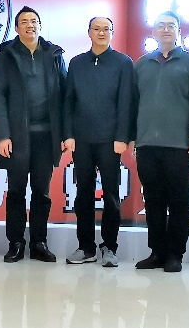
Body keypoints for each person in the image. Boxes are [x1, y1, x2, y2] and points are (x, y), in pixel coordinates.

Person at [132, 11, 189, 273]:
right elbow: (133, 103)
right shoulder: (142, 64)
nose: (166, 30)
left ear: (178, 31)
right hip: (146, 144)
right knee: (153, 200)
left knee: (179, 200)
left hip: (179, 145)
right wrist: (132, 137)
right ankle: (157, 252)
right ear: (153, 32)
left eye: (171, 26)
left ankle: (175, 254)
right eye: (161, 26)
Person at [0, 6, 67, 263]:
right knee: (16, 192)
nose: (29, 25)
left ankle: (39, 243)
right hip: (16, 137)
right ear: (16, 28)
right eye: (24, 21)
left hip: (47, 136)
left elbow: (65, 95)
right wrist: (2, 135)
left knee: (41, 193)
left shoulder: (53, 54)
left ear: (40, 26)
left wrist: (65, 133)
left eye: (34, 21)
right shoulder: (6, 56)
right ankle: (16, 243)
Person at [62, 16, 135, 268]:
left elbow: (126, 102)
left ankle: (109, 247)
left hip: (110, 141)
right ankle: (86, 247)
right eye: (97, 29)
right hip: (81, 139)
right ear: (89, 33)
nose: (102, 33)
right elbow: (68, 101)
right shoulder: (77, 63)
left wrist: (122, 136)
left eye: (106, 29)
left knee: (111, 195)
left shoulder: (123, 63)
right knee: (83, 194)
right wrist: (68, 134)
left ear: (112, 33)